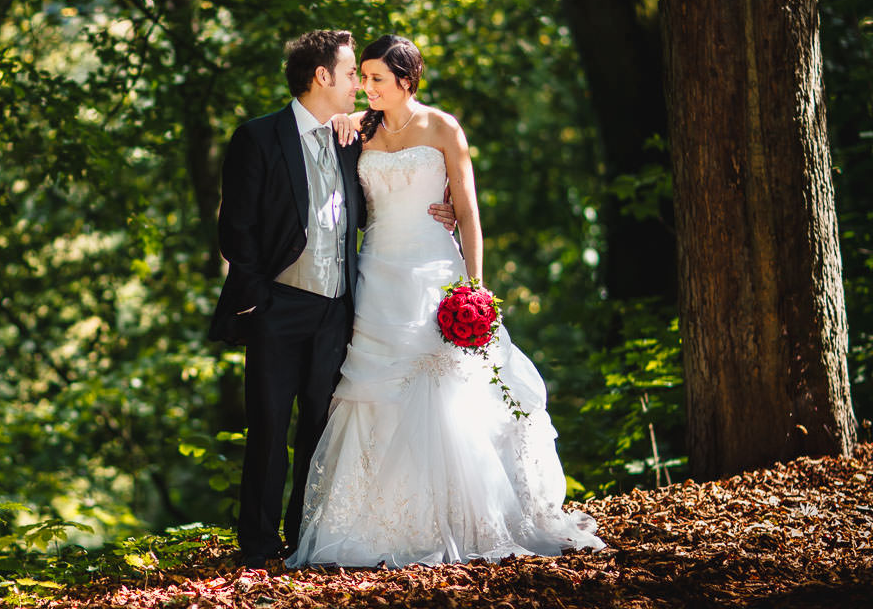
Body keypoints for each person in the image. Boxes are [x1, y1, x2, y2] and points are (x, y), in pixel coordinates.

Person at [286, 35, 604, 568]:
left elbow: (469, 210)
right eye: (364, 77)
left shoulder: (442, 127)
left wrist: (474, 286)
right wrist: (341, 121)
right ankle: (379, 523)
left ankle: (465, 520)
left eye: (377, 79)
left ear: (406, 80)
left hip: (435, 271)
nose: (367, 87)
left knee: (451, 386)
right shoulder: (358, 129)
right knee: (374, 391)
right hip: (377, 275)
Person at [209, 30, 455, 569]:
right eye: (349, 74)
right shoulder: (258, 137)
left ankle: (304, 536)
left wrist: (446, 208)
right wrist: (258, 300)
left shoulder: (351, 137)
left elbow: (379, 199)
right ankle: (258, 546)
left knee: (322, 429)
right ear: (321, 76)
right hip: (277, 306)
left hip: (339, 308)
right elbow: (236, 229)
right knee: (269, 426)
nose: (357, 87)